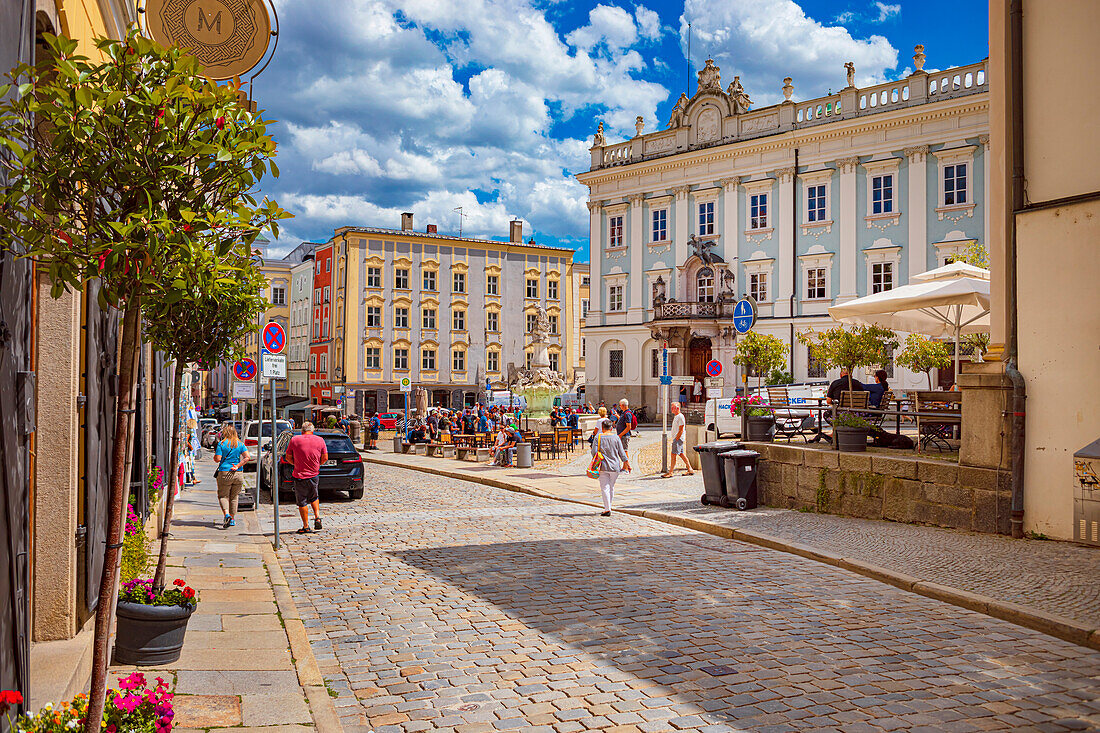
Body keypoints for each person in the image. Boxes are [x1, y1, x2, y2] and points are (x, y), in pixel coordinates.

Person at [285, 421, 327, 534]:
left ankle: (306, 526)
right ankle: (317, 517)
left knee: (302, 501)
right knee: (314, 496)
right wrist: (317, 465)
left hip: (299, 475)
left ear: (302, 430)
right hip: (314, 474)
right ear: (312, 431)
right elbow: (325, 457)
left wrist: (295, 463)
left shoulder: (295, 440)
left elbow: (288, 457)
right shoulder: (320, 440)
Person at [590, 418, 630, 516]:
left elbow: (594, 452)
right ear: (611, 428)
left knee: (605, 487)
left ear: (602, 428)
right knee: (611, 487)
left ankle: (607, 508)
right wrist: (627, 464)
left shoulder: (598, 437)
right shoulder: (616, 437)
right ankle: (609, 507)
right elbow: (622, 452)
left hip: (603, 466)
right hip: (615, 466)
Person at [214, 424, 250, 529]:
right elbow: (247, 457)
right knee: (234, 497)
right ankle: (233, 519)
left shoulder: (221, 444)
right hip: (238, 473)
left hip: (224, 472)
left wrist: (215, 457)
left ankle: (227, 515)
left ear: (224, 433)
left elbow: (218, 459)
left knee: (223, 496)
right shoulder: (240, 444)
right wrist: (238, 465)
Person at [662, 401, 694, 478]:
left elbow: (681, 429)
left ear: (677, 408)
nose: (671, 409)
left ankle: (671, 472)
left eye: (672, 407)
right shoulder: (677, 416)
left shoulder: (680, 416)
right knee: (681, 454)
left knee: (673, 454)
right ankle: (690, 469)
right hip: (677, 438)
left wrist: (676, 439)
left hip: (678, 439)